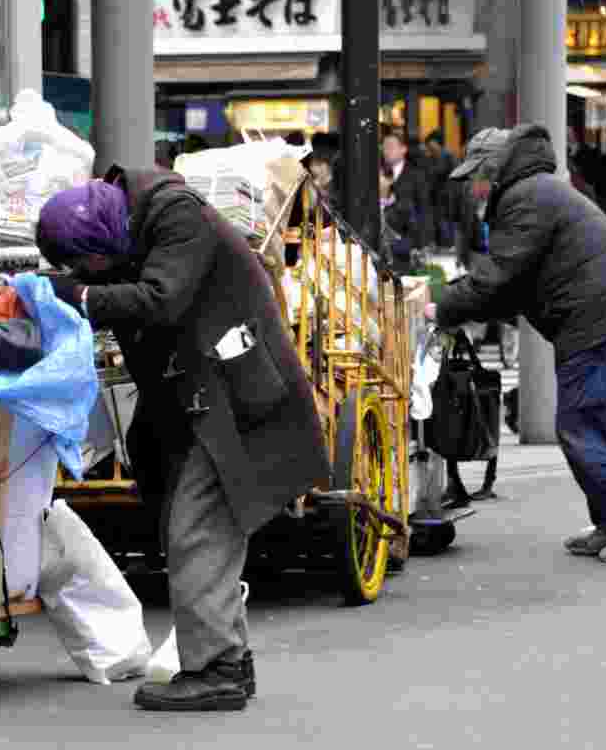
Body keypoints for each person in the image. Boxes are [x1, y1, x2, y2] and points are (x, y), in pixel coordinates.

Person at [36, 169, 330, 711]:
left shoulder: (177, 216)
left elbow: (160, 299)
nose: (85, 274)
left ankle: (216, 668)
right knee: (199, 528)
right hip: (198, 395)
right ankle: (228, 660)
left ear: (102, 240)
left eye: (84, 263)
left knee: (198, 529)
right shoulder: (132, 223)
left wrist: (76, 295)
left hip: (236, 397)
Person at [424, 124, 606, 564]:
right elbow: (511, 286)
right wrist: (463, 303)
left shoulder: (524, 198)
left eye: (477, 176)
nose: (474, 189)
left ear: (495, 169)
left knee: (581, 426)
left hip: (594, 315)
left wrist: (440, 308)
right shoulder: (538, 190)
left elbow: (500, 276)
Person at [381, 128, 436, 254]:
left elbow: (425, 210)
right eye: (384, 147)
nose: (386, 151)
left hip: (408, 244)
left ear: (403, 149)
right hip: (382, 245)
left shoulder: (417, 176)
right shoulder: (378, 175)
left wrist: (424, 243)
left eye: (391, 147)